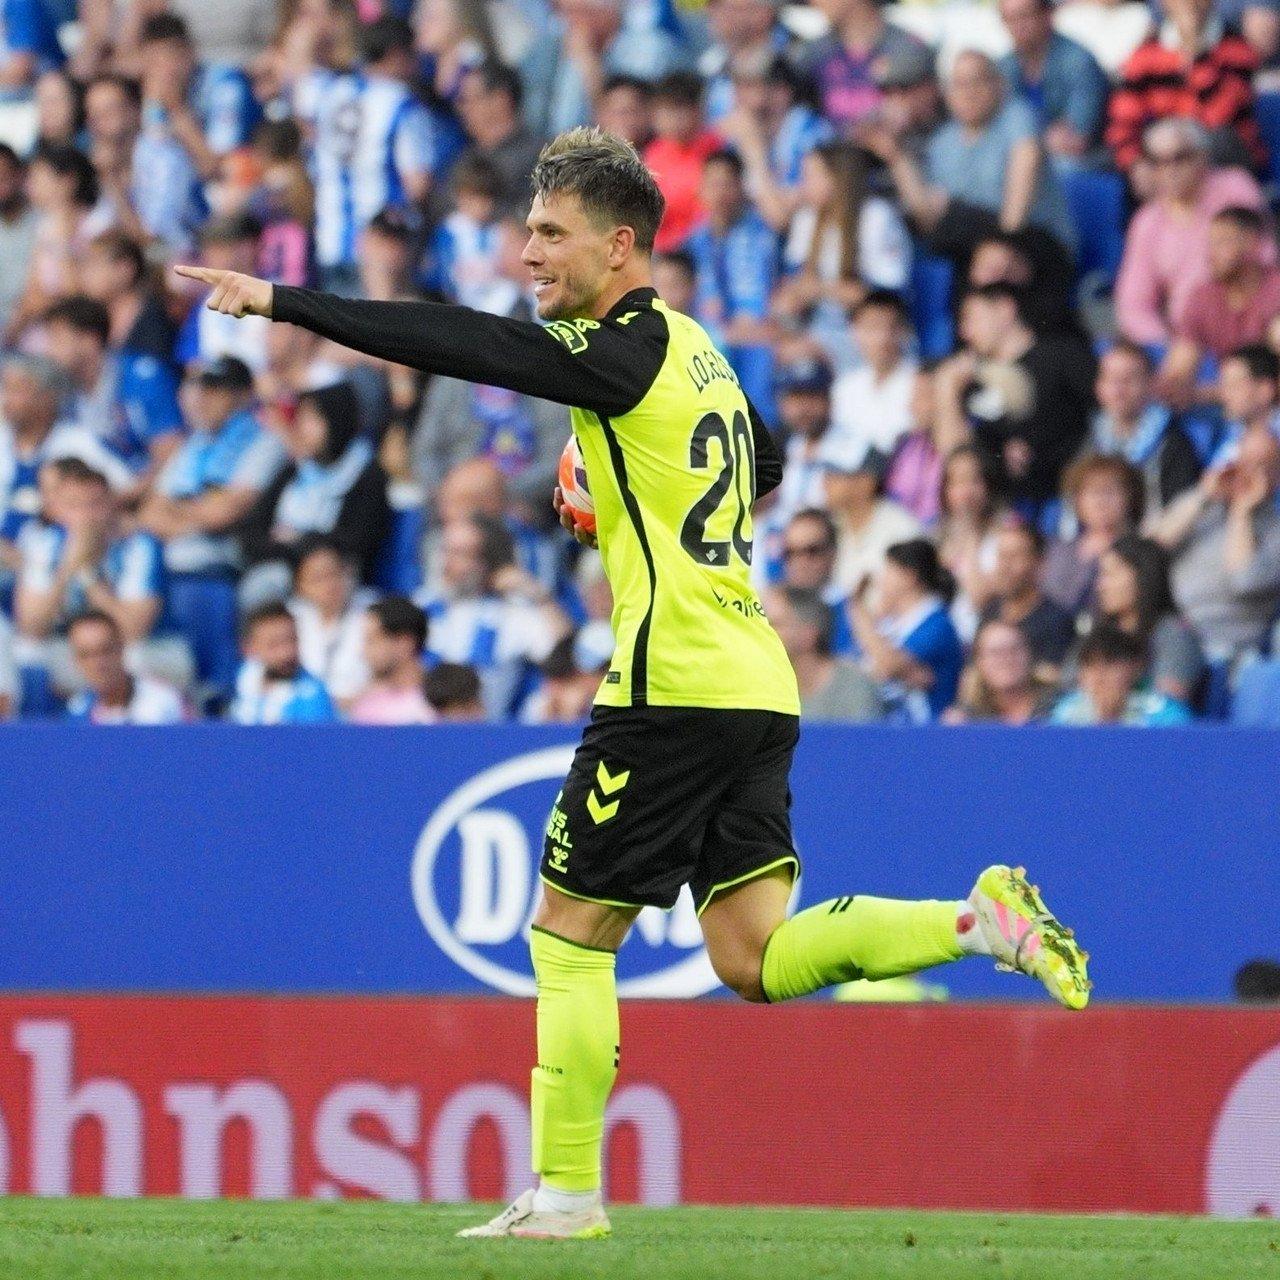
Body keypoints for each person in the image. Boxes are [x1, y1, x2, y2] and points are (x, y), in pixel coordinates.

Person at [175, 125, 1091, 1241]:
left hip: (670, 688)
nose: (527, 254)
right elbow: (760, 456)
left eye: (549, 234)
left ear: (619, 246)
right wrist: (602, 480)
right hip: (755, 682)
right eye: (524, 231)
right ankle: (975, 918)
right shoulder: (698, 351)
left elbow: (469, 345)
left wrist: (284, 301)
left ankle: (561, 1194)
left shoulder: (619, 348)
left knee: (567, 934)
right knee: (750, 955)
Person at [138, 356, 285, 694]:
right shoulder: (194, 445)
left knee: (196, 568)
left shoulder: (264, 442)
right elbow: (149, 512)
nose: (205, 397)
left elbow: (225, 513)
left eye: (218, 390)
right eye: (202, 388)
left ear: (243, 396)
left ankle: (218, 687)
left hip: (234, 562)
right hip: (178, 563)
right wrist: (197, 512)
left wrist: (178, 512)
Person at [871, 50, 1077, 261]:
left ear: (999, 85)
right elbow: (929, 221)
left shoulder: (1016, 117)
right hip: (978, 251)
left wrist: (1001, 248)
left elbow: (1017, 208)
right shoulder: (943, 142)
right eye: (959, 84)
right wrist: (896, 157)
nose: (969, 92)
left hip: (1033, 245)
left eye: (977, 81)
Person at [1114, 119, 1269, 347]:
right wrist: (1164, 345)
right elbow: (1134, 304)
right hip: (1184, 340)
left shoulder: (1234, 188)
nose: (1170, 170)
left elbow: (1264, 259)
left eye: (1180, 158)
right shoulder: (1147, 221)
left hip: (1248, 330)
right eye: (1158, 162)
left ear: (1202, 156)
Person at [945, 283, 1095, 509]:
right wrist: (947, 390)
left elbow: (1104, 414)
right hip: (998, 509)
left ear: (1005, 309)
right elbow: (954, 457)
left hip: (1067, 496)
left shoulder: (1061, 356)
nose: (964, 332)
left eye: (970, 317)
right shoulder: (970, 382)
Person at [239, 380, 391, 593]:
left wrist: (297, 541)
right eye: (300, 418)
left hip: (335, 580)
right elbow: (251, 530)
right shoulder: (295, 469)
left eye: (311, 419)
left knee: (265, 585)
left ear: (335, 421)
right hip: (284, 566)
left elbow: (357, 542)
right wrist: (291, 547)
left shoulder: (367, 475)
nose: (301, 427)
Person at [1150, 426, 1280, 670]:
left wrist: (1241, 513)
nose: (1247, 471)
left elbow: (1244, 581)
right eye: (1243, 460)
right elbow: (1150, 548)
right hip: (1174, 629)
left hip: (1232, 647)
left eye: (1261, 465)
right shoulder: (1202, 507)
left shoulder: (1275, 531)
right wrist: (1203, 493)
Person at [417, 513, 570, 718]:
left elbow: (565, 657)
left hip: (487, 732)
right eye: (445, 551)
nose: (447, 563)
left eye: (460, 554)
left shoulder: (513, 616)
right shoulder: (420, 608)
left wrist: (536, 594)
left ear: (489, 563)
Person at [774, 141, 910, 367]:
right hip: (819, 326)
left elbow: (886, 297)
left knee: (803, 355)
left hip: (874, 334)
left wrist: (821, 289)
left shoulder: (876, 217)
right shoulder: (807, 219)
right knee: (779, 348)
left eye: (811, 176)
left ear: (837, 178)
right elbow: (796, 283)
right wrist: (789, 299)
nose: (803, 184)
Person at [1106, 0, 1265, 176]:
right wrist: (1135, 163)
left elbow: (1216, 118)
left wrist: (1194, 53)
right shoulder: (1145, 53)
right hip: (1165, 160)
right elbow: (1123, 121)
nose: (1190, 4)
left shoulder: (1238, 49)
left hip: (1224, 162)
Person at [43, 295, 184, 480]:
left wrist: (126, 497)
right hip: (93, 492)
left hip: (147, 493)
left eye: (58, 339)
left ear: (89, 340)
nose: (48, 350)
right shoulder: (63, 391)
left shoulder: (143, 378)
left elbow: (171, 457)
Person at [683, 148, 779, 413]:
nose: (720, 193)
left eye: (728, 184)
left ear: (741, 188)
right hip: (707, 345)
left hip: (760, 341)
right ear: (700, 189)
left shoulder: (767, 237)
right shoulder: (691, 244)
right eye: (713, 184)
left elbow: (784, 292)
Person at [1163, 207, 1280, 393]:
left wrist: (1202, 395)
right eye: (1211, 244)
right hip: (1230, 407)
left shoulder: (1275, 290)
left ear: (1251, 242)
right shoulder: (1203, 297)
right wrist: (1172, 388)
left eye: (1222, 242)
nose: (1211, 254)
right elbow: (1178, 370)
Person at [850, 537, 964, 723]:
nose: (881, 580)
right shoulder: (890, 623)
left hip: (926, 729)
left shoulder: (937, 625)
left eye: (888, 571)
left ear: (909, 576)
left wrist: (857, 607)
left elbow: (889, 665)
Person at [1087, 533, 1204, 704]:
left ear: (1143, 577)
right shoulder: (1101, 633)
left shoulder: (1175, 635)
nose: (1100, 586)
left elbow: (1168, 705)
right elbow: (1070, 690)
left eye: (1110, 574)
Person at [1091, 341, 1203, 520]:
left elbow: (1177, 513)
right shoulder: (1089, 441)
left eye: (1129, 380)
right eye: (1110, 378)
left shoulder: (1174, 445)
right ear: (1098, 386)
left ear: (1150, 384)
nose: (1118, 389)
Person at [997, 0, 1110, 171]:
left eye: (1025, 16)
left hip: (1087, 164)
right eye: (1009, 19)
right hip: (1030, 156)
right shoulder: (1003, 68)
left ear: (1047, 14)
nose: (1018, 25)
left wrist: (1024, 142)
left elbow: (1075, 139)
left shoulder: (1078, 61)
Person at [820, 432, 922, 596]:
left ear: (866, 482)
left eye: (836, 475)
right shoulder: (828, 526)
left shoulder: (902, 528)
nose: (825, 483)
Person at [1044, 454, 1145, 617]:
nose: (1100, 501)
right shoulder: (1058, 549)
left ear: (1130, 496)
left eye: (1109, 491)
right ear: (1077, 500)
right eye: (1091, 491)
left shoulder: (1140, 551)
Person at [765, 584, 883, 722]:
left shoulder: (853, 686)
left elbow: (865, 741)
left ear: (808, 634)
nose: (763, 631)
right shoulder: (760, 687)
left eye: (775, 624)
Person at [978, 520, 1077, 673]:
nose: (1005, 566)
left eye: (1015, 556)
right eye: (1001, 556)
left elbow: (1052, 681)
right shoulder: (989, 611)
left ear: (1039, 563)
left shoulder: (1056, 621)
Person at [287, 535, 373, 708]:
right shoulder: (290, 618)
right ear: (299, 585)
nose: (330, 585)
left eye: (335, 573)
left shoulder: (373, 614)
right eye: (318, 578)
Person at [643, 71, 723, 254]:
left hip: (703, 248)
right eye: (666, 110)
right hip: (662, 251)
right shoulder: (653, 154)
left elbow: (711, 213)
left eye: (680, 109)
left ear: (698, 110)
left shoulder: (715, 149)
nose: (673, 119)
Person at [829, 290, 916, 457]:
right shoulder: (843, 388)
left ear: (905, 331)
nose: (883, 337)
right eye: (873, 327)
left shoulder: (920, 384)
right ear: (855, 331)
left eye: (892, 327)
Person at [1050, 623, 1192, 725]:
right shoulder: (1065, 713)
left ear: (1135, 667)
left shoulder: (1166, 715)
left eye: (1109, 664)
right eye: (1090, 666)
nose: (1099, 676)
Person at [64, 610, 188, 725]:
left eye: (105, 650)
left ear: (121, 648)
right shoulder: (76, 711)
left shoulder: (164, 701)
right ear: (76, 660)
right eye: (86, 654)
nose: (98, 663)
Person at [935, 444, 1005, 642]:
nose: (966, 492)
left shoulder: (1003, 537)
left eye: (974, 481)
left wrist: (970, 535)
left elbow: (980, 598)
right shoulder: (937, 537)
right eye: (956, 483)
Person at [230, 601, 339, 724]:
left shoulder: (312, 696)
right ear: (250, 648)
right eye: (273, 645)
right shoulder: (240, 680)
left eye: (292, 640)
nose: (286, 653)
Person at [944, 617, 1058, 725]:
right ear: (979, 662)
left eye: (1014, 649)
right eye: (995, 652)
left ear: (1029, 655)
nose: (1006, 659)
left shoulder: (1061, 708)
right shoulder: (967, 718)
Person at [349, 596, 435, 725]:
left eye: (372, 641)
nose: (363, 652)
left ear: (404, 643)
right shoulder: (367, 703)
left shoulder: (442, 701)